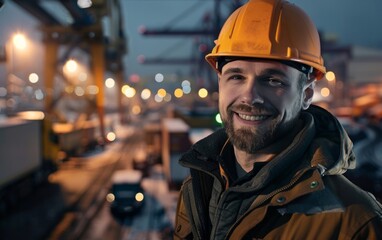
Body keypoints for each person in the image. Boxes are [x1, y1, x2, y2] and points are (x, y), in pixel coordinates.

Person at [174, 0, 382, 239]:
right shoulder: (197, 188)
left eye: (273, 81)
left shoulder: (354, 225)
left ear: (306, 95)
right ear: (220, 82)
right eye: (236, 76)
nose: (250, 97)